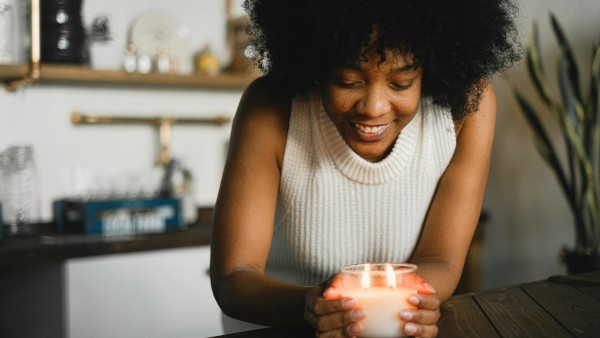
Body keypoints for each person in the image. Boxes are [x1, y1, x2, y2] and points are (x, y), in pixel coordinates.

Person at [210, 0, 521, 337]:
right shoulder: (271, 108)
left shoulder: (467, 109)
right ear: (316, 65)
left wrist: (412, 301)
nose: (373, 109)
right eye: (347, 81)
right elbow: (233, 279)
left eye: (401, 84)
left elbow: (442, 260)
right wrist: (312, 304)